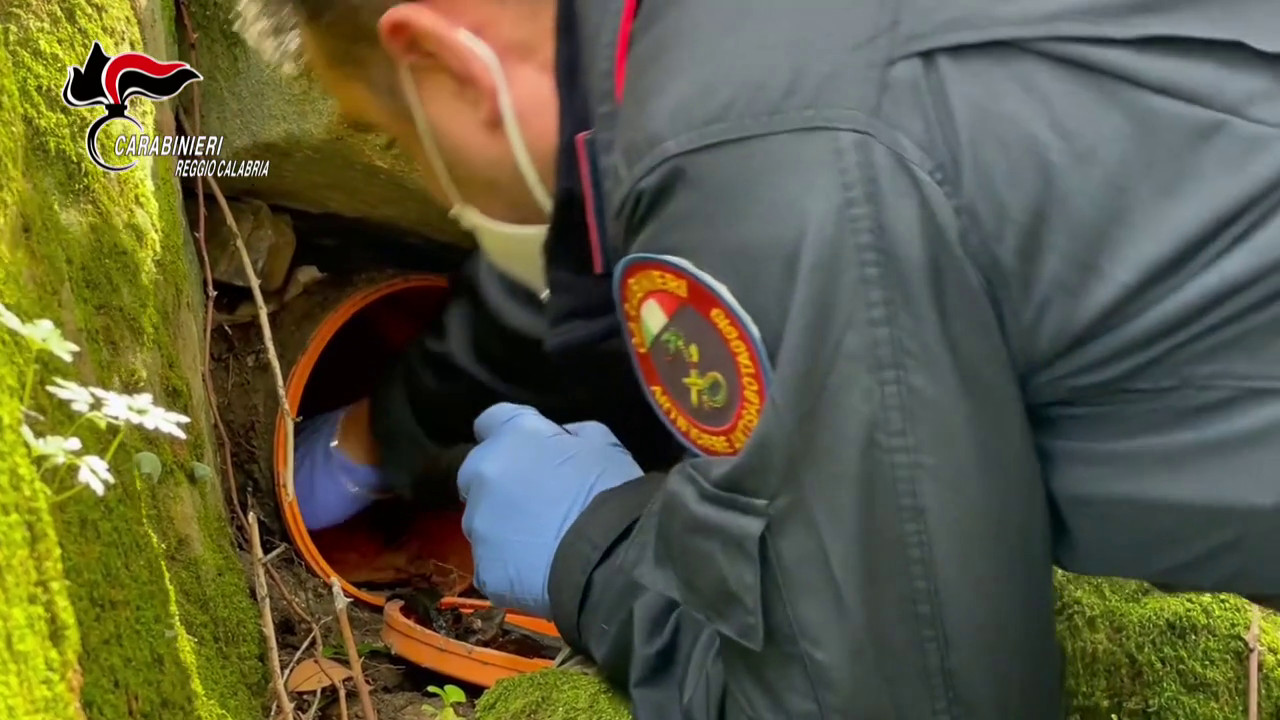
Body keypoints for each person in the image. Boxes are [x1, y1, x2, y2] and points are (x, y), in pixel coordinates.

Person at [257, 0, 1280, 717]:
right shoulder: (731, 58)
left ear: (439, 59)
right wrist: (378, 440)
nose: (437, 186)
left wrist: (599, 553)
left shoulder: (749, 160)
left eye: (393, 129)